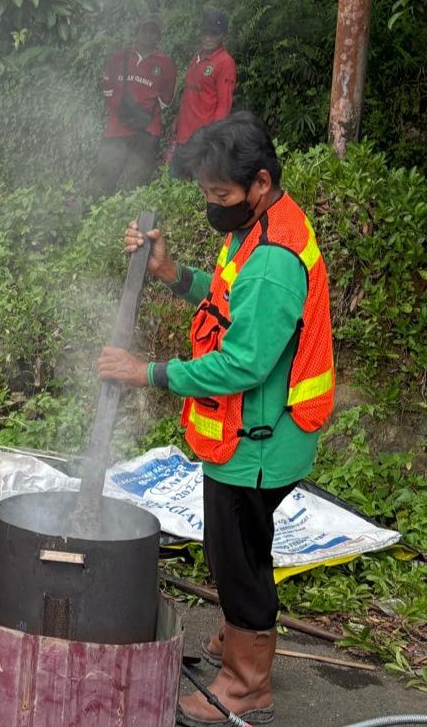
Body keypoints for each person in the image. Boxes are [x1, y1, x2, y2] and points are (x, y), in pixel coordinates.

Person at [96, 112, 334, 726]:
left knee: (239, 560)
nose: (212, 205)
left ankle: (248, 684)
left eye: (220, 195)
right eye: (205, 193)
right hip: (255, 433)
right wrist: (173, 275)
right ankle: (239, 640)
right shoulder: (258, 228)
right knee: (240, 548)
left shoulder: (275, 260)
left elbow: (241, 365)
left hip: (258, 441)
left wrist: (147, 372)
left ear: (259, 182)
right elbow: (228, 302)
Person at [90, 16, 177, 197]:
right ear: (136, 32)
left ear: (158, 35)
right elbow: (107, 87)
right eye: (144, 29)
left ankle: (130, 221)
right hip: (117, 126)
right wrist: (122, 111)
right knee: (104, 177)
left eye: (152, 31)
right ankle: (95, 213)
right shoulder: (118, 57)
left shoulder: (166, 64)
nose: (147, 34)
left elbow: (166, 100)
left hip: (148, 131)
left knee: (136, 183)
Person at [174, 10, 237, 151]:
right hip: (183, 135)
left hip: (202, 140)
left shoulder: (225, 63)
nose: (208, 38)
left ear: (223, 36)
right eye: (205, 33)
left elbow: (224, 106)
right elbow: (188, 92)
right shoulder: (197, 57)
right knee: (173, 173)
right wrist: (177, 120)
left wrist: (212, 138)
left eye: (214, 34)